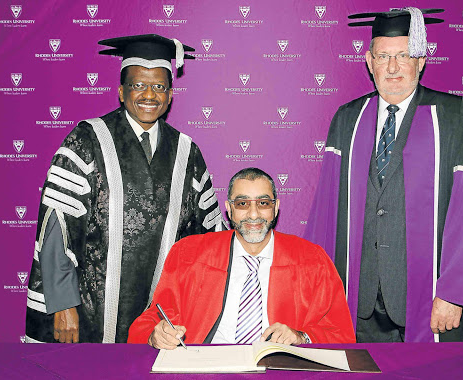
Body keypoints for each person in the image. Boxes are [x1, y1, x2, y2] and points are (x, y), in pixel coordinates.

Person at [305, 8, 463, 343]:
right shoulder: (347, 120)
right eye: (383, 56)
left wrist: (454, 293)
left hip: (432, 303)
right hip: (358, 302)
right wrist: (321, 293)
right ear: (369, 61)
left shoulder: (457, 117)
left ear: (421, 60)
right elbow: (326, 214)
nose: (392, 68)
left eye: (403, 56)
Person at [25, 34, 224, 343]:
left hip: (160, 315)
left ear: (170, 95)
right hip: (90, 308)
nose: (149, 95)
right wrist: (63, 305)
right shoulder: (87, 139)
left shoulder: (187, 152)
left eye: (159, 86)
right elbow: (56, 226)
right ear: (121, 92)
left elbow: (206, 238)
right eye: (137, 85)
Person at [128, 168, 355, 347]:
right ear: (229, 209)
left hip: (279, 371)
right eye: (243, 203)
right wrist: (156, 335)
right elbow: (152, 321)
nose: (254, 214)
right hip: (206, 368)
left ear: (276, 207)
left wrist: (301, 336)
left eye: (263, 203)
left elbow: (340, 334)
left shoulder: (311, 260)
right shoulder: (189, 254)